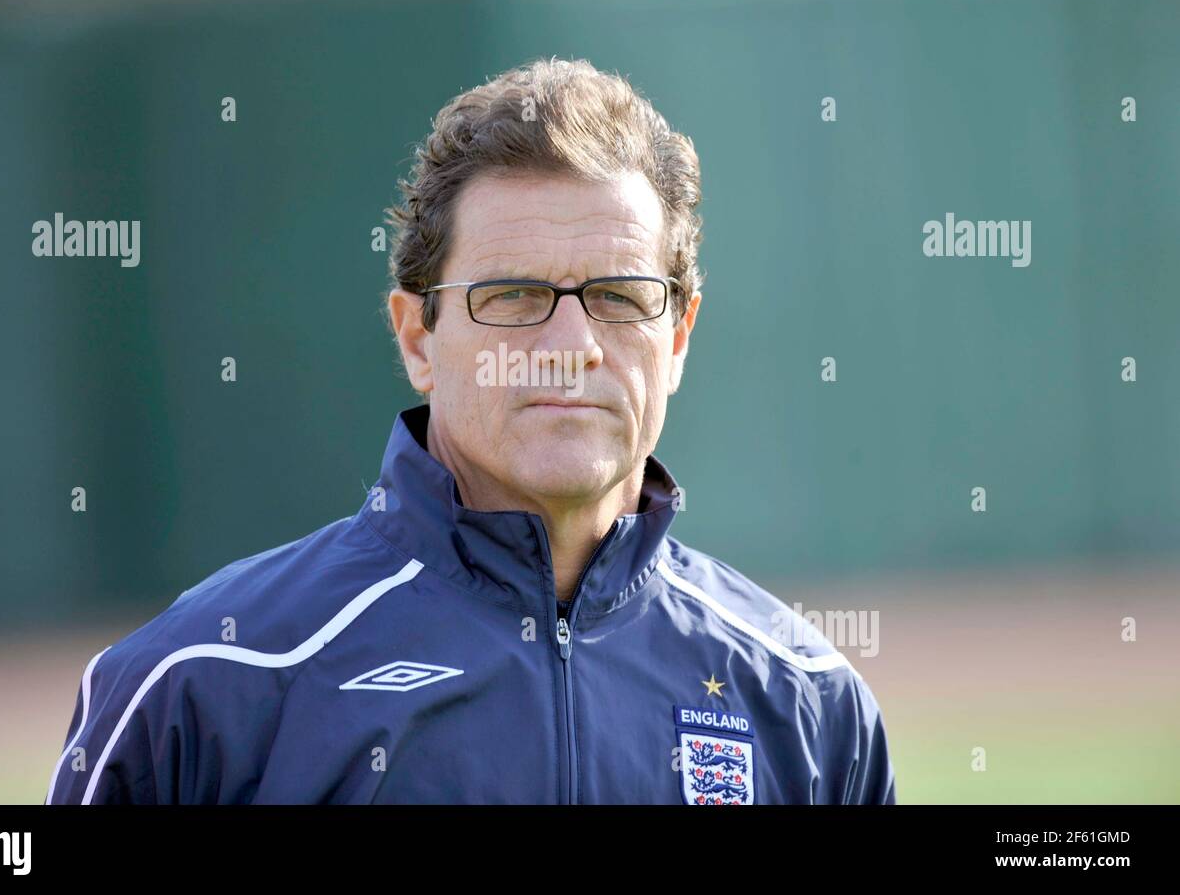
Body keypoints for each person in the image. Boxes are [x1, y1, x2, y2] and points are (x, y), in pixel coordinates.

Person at [46, 57, 895, 804]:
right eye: (514, 296)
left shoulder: (808, 704)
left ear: (676, 337)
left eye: (621, 296)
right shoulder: (208, 684)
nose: (570, 350)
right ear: (418, 338)